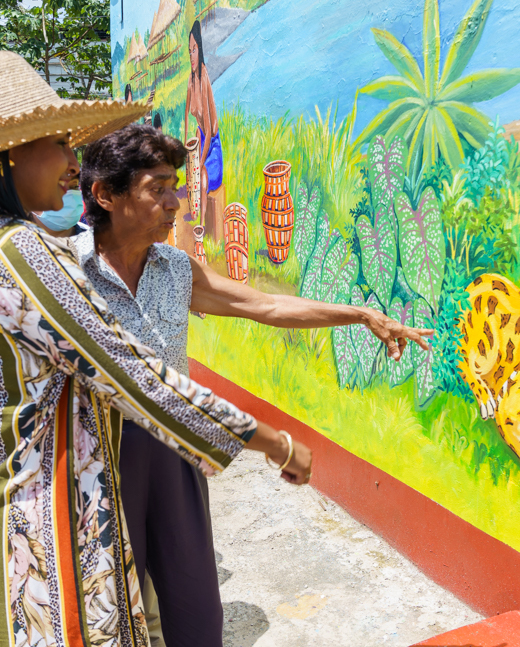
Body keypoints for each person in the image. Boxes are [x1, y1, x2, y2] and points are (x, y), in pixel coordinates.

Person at [0, 50, 313, 646]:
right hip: (48, 544)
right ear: (9, 152)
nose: (73, 164)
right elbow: (133, 374)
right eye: (59, 144)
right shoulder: (17, 251)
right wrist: (272, 441)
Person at [75, 125, 433, 647]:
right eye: (158, 188)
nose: (175, 202)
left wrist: (358, 314)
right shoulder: (67, 271)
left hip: (178, 449)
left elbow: (262, 305)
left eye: (176, 186)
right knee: (111, 609)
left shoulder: (177, 269)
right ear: (106, 194)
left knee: (193, 606)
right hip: (98, 457)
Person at [183, 20, 223, 242]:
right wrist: (188, 142)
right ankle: (195, 213)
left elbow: (208, 129)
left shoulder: (204, 75)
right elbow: (189, 118)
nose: (191, 55)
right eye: (189, 51)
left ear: (200, 49)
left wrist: (199, 162)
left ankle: (200, 228)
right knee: (191, 173)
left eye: (194, 50)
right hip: (201, 138)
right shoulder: (191, 79)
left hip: (213, 144)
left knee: (203, 176)